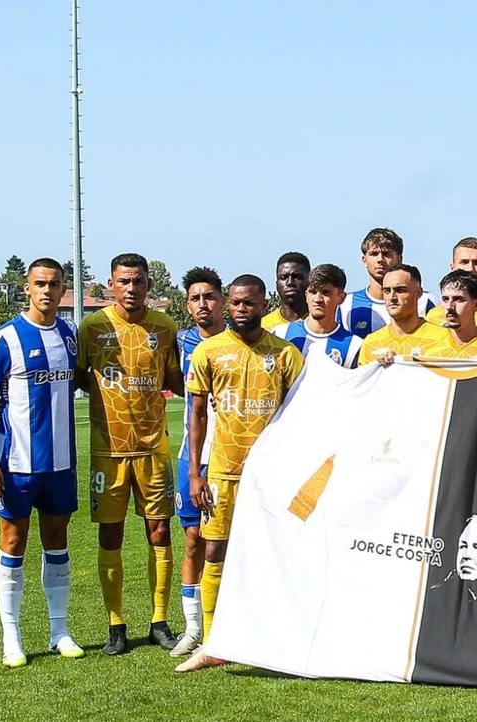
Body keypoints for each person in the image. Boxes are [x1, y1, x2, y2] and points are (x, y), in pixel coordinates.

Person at [175, 274, 305, 672]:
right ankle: (214, 641)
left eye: (249, 303)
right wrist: (197, 475)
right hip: (222, 471)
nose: (241, 309)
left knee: (274, 551)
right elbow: (196, 414)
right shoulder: (209, 352)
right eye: (235, 303)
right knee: (214, 550)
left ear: (264, 304)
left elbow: (302, 414)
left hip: (269, 474)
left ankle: (276, 638)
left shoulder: (285, 355)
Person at [0, 258, 84, 667]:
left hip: (60, 463)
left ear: (63, 288)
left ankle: (59, 631)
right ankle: (12, 636)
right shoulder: (6, 338)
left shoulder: (70, 334)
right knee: (13, 542)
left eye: (54, 284)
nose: (47, 291)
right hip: (16, 464)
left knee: (58, 542)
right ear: (26, 287)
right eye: (40, 284)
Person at [77, 253, 185, 655]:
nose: (131, 288)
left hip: (154, 448)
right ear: (111, 283)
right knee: (111, 532)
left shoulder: (165, 327)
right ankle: (115, 624)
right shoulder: (93, 326)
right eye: (124, 281)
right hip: (108, 450)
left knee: (159, 531)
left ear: (148, 286)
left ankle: (159, 620)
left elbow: (173, 378)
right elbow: (81, 378)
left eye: (138, 281)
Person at [169, 267, 225, 657]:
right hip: (194, 455)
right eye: (195, 298)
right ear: (187, 304)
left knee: (226, 544)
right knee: (193, 540)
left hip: (234, 455)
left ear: (221, 300)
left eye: (209, 297)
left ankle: (226, 625)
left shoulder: (243, 340)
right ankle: (193, 629)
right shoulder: (180, 341)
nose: (202, 304)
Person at [339, 228, 435, 338]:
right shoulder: (346, 304)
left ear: (399, 259)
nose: (380, 259)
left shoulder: (426, 301)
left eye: (386, 254)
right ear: (364, 260)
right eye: (374, 254)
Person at [356, 264, 450, 366]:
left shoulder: (443, 337)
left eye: (400, 290)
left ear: (418, 293)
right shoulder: (371, 342)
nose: (392, 297)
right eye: (387, 291)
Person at [275, 264, 363, 368]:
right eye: (313, 292)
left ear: (341, 298)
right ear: (306, 295)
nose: (317, 299)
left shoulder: (354, 346)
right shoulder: (281, 334)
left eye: (326, 293)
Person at [260, 252, 311, 330]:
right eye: (283, 277)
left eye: (296, 277)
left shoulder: (326, 324)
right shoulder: (263, 328)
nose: (290, 282)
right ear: (277, 284)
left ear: (309, 282)